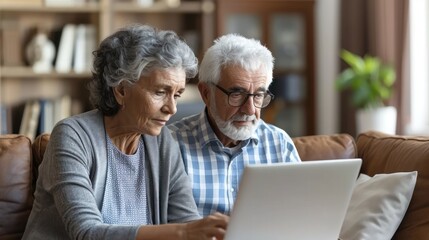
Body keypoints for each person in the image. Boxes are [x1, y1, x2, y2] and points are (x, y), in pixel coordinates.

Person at [22, 24, 228, 240]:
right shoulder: (72, 136)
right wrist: (185, 232)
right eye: (160, 92)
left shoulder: (163, 143)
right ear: (121, 90)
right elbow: (86, 233)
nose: (172, 109)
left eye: (176, 95)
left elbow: (188, 221)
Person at [168, 34, 302, 217]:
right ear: (206, 93)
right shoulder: (171, 145)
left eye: (258, 96)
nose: (249, 109)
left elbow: (298, 215)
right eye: (237, 94)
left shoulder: (279, 144)